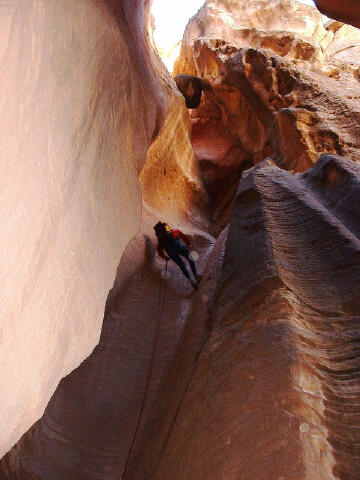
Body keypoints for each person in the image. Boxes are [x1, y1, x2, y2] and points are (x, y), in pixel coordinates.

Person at [154, 221, 201, 289]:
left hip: (171, 253)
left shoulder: (161, 242)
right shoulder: (175, 232)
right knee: (190, 258)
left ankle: (192, 281)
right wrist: (188, 244)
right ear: (167, 228)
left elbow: (158, 250)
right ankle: (196, 276)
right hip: (179, 247)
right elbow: (183, 236)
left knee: (181, 265)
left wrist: (165, 257)